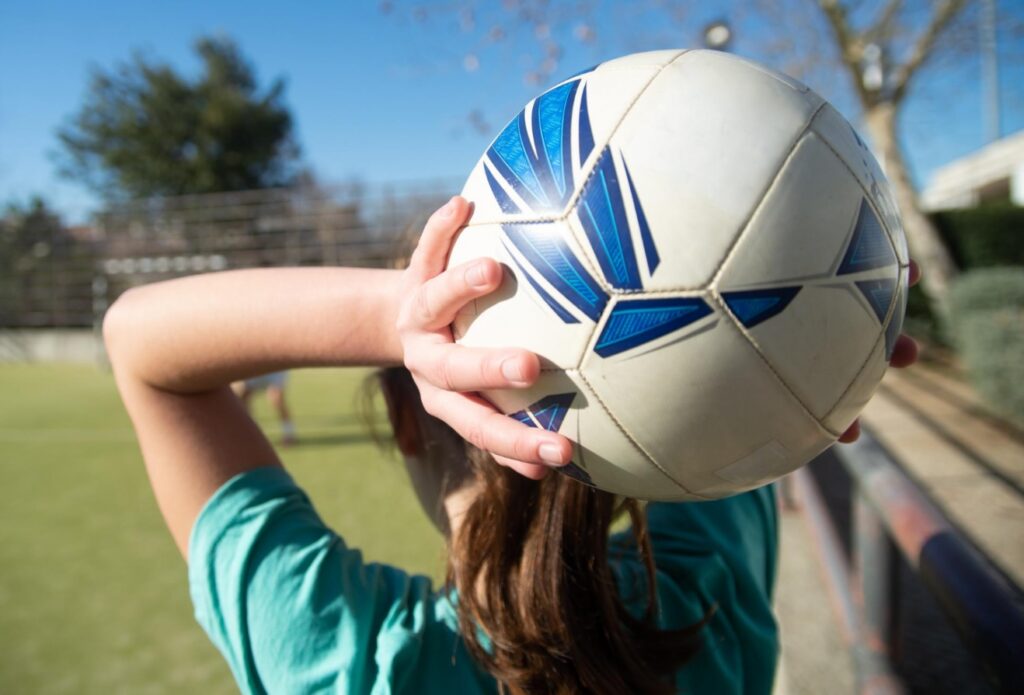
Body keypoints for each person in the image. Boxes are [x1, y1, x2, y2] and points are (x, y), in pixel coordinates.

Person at [104, 197, 920, 694]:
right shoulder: (708, 595)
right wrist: (828, 341)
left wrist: (405, 315)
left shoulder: (352, 660)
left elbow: (138, 342)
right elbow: (734, 381)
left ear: (406, 418)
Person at [232, 371, 297, 445]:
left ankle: (289, 432)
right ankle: (249, 432)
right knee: (242, 397)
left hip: (273, 370)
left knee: (277, 399)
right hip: (252, 369)